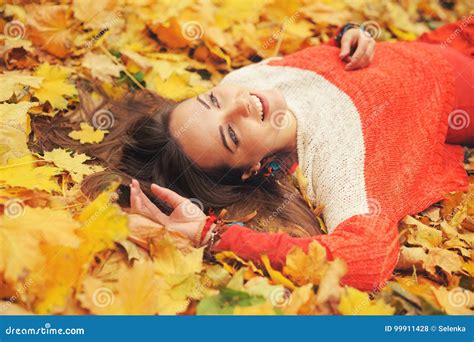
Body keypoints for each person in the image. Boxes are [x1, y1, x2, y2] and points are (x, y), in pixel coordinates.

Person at [38, 21, 472, 292]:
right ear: (251, 168)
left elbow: (326, 60)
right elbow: (368, 260)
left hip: (440, 40)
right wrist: (213, 236)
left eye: (211, 100)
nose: (242, 104)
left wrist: (350, 35)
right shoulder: (339, 166)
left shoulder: (245, 78)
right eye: (231, 134)